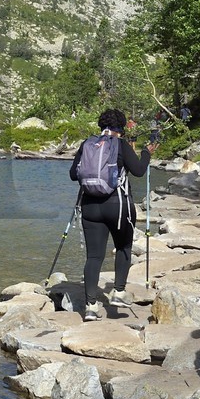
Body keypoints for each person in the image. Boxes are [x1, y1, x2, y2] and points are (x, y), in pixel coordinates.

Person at [69, 108, 151, 320]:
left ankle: (90, 307)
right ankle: (119, 293)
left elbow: (72, 174)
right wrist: (147, 153)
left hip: (90, 207)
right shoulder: (121, 145)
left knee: (94, 256)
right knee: (123, 247)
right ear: (121, 128)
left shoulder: (87, 144)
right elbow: (139, 170)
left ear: (101, 125)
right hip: (118, 206)